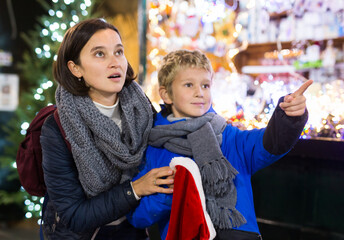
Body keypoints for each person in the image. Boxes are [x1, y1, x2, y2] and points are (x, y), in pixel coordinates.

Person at [127, 49, 312, 239]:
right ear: (166, 94)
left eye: (205, 85)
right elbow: (138, 218)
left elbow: (271, 145)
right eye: (189, 85)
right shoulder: (153, 147)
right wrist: (171, 194)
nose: (199, 93)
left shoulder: (228, 135)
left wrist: (289, 118)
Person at [40, 18, 174, 239]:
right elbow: (74, 215)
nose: (116, 63)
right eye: (100, 54)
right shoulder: (57, 127)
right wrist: (136, 189)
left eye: (119, 52)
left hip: (137, 229)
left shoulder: (141, 108)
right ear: (75, 68)